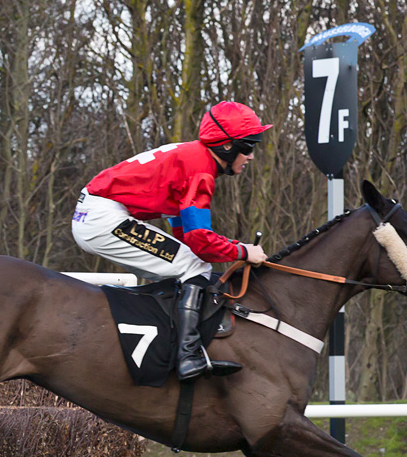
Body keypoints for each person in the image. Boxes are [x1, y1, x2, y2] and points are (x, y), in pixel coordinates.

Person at [72, 101, 271, 380]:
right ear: (227, 146)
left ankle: (169, 344)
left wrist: (224, 250)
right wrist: (242, 251)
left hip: (98, 214)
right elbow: (200, 240)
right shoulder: (200, 171)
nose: (251, 156)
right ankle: (188, 355)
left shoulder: (193, 158)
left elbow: (185, 235)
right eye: (249, 146)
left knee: (189, 266)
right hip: (102, 218)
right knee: (194, 268)